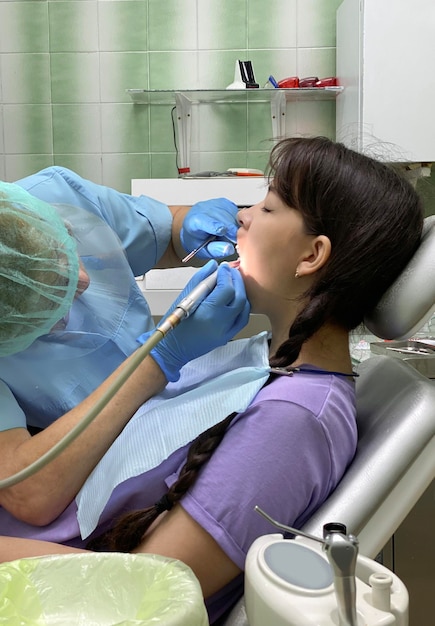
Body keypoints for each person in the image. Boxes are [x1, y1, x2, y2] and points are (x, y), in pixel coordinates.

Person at [0, 137, 424, 624]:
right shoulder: (263, 370)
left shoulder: (294, 420)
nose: (243, 216)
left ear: (311, 256)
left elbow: (149, 593)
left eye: (266, 206)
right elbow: (29, 491)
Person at [0, 169, 249, 525]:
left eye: (67, 248)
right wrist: (158, 360)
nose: (84, 281)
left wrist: (187, 227)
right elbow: (27, 492)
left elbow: (170, 233)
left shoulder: (55, 195)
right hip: (109, 482)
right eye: (57, 292)